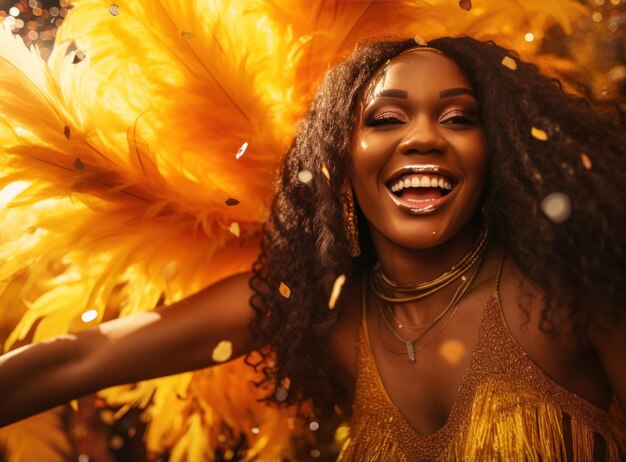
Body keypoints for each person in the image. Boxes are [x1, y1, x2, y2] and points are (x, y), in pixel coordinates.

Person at [1, 36, 624, 460]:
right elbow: (78, 360)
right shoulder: (324, 311)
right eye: (386, 119)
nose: (425, 139)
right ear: (340, 161)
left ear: (499, 154)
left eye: (460, 117)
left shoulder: (566, 295)